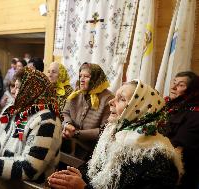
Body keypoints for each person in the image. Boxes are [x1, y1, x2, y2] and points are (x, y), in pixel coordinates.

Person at [48, 80, 184, 189]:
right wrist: (77, 176)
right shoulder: (113, 135)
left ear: (140, 109)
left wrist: (82, 187)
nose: (110, 102)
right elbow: (94, 171)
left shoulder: (157, 159)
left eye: (121, 99)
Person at [62, 63, 113, 159]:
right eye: (80, 76)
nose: (81, 79)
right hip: (70, 140)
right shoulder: (77, 92)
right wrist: (67, 124)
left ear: (96, 79)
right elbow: (65, 113)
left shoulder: (108, 98)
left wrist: (76, 133)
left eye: (86, 76)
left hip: (91, 149)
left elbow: (104, 131)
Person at [164, 71, 199, 189]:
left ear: (192, 90)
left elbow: (177, 149)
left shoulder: (195, 115)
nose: (173, 88)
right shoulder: (167, 105)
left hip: (177, 174)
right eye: (174, 83)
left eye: (180, 85)